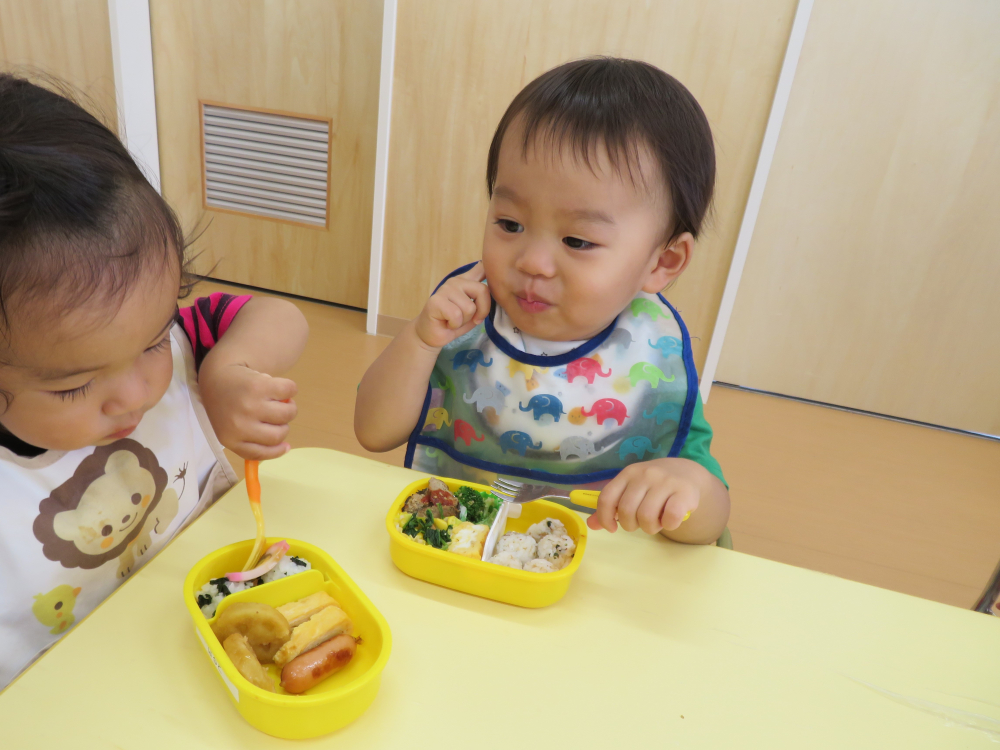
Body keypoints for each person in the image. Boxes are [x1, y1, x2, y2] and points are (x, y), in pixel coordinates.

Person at [0, 74, 308, 688]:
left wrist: (228, 369)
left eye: (153, 339)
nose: (139, 393)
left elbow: (283, 318)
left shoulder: (180, 341)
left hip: (203, 656)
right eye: (72, 387)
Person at [356, 58, 730, 545]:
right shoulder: (464, 316)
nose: (532, 261)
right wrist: (420, 343)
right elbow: (373, 431)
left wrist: (686, 489)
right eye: (510, 224)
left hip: (591, 580)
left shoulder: (650, 356)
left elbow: (711, 519)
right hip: (457, 552)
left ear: (663, 261)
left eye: (577, 241)